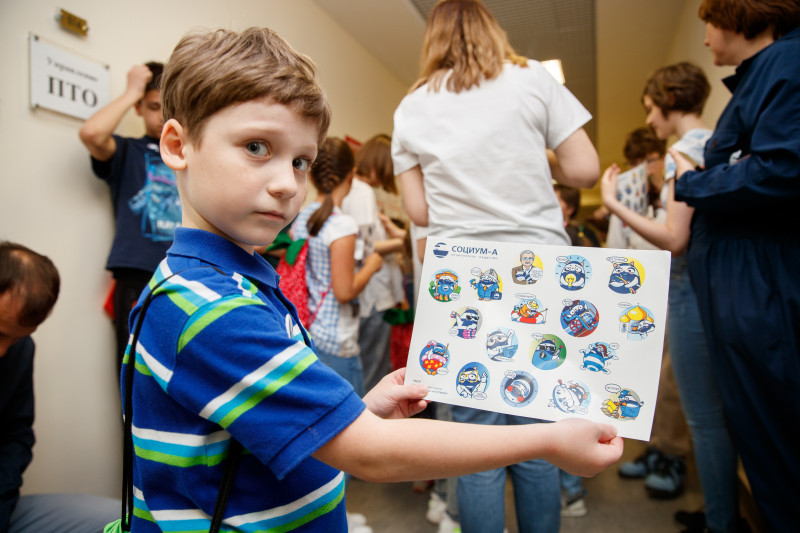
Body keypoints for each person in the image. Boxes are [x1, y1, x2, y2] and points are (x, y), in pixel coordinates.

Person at [115, 26, 623, 533]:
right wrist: (548, 440)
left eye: (300, 161)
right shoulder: (213, 311)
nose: (287, 184)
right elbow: (371, 454)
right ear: (178, 146)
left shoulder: (213, 283)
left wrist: (359, 412)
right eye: (255, 147)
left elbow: (260, 427)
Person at [392, 1, 601, 531]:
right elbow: (585, 170)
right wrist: (534, 153)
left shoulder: (413, 105)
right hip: (539, 269)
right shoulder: (532, 79)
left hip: (462, 275)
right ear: (492, 30)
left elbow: (418, 211)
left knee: (473, 438)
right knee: (539, 430)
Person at [670, 2, 800, 531]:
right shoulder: (765, 73)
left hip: (757, 286)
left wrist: (692, 182)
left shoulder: (785, 63)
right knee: (760, 431)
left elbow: (782, 168)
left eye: (710, 22)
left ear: (742, 16)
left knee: (776, 436)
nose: (705, 38)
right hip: (742, 282)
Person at [601, 62, 740, 533]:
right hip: (706, 285)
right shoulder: (717, 141)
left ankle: (721, 521)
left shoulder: (684, 150)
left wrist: (613, 202)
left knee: (703, 417)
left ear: (670, 101)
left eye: (650, 108)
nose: (649, 119)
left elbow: (674, 238)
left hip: (684, 286)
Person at [0, 242, 119, 533]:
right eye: (0, 333)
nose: (3, 351)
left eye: (16, 338)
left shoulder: (21, 351)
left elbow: (15, 435)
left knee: (126, 521)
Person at [78, 62, 180, 380]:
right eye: (153, 107)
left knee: (182, 368)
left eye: (169, 108)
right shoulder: (128, 151)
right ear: (139, 108)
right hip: (137, 274)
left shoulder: (188, 158)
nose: (161, 116)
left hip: (183, 271)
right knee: (135, 373)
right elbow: (92, 134)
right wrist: (132, 90)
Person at [291, 137, 383, 399]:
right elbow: (344, 292)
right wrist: (372, 266)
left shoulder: (303, 216)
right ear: (351, 177)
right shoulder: (342, 225)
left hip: (310, 330)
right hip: (337, 341)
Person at [341, 134, 405, 392]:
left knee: (368, 368)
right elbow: (365, 248)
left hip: (369, 293)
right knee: (374, 374)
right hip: (373, 294)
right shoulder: (362, 191)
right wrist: (403, 243)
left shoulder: (351, 189)